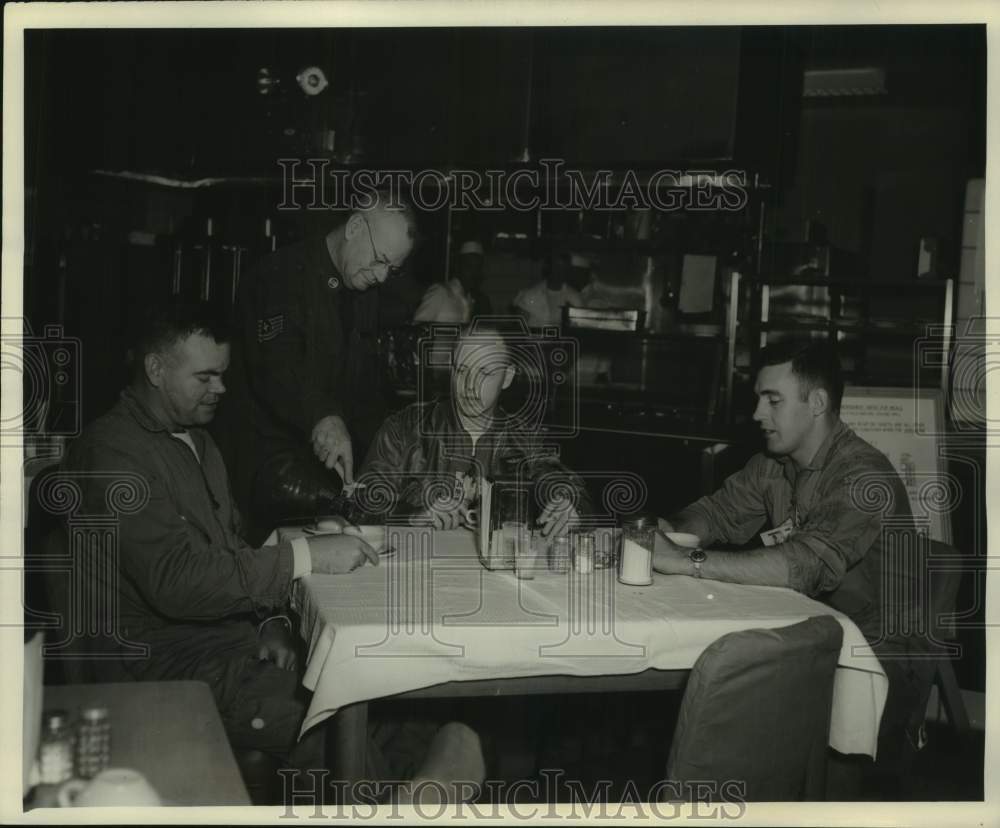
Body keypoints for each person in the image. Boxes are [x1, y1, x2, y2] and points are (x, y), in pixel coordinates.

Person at [56, 300, 482, 800]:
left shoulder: (196, 440)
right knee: (338, 706)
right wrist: (308, 557)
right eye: (206, 376)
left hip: (227, 647)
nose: (222, 388)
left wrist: (271, 622)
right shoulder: (110, 453)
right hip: (163, 669)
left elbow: (230, 545)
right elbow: (178, 581)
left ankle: (414, 793)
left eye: (224, 374)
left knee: (417, 712)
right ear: (155, 369)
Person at [653, 339, 931, 794]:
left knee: (733, 693)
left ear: (817, 403)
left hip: (876, 662)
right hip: (812, 635)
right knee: (725, 690)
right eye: (758, 399)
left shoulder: (863, 476)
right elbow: (716, 514)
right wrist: (667, 531)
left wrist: (686, 560)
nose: (758, 414)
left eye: (773, 401)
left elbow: (805, 565)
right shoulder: (774, 465)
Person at [215, 192, 418, 544]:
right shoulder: (278, 276)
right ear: (355, 226)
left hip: (320, 469)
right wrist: (323, 415)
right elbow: (275, 368)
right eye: (380, 259)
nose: (383, 276)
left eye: (393, 268)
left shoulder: (364, 293)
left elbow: (365, 389)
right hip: (262, 468)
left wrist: (394, 446)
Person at [358, 323, 588, 536]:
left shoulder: (527, 438)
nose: (469, 385)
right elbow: (358, 502)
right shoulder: (405, 427)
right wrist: (411, 516)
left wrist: (568, 506)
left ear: (507, 377)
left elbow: (567, 487)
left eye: (485, 373)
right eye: (461, 370)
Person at [413, 240, 492, 324]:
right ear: (458, 267)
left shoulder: (471, 300)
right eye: (469, 266)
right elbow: (417, 328)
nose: (474, 273)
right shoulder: (440, 292)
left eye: (477, 268)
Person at [511, 251, 584, 328]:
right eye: (556, 268)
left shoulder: (575, 298)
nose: (559, 273)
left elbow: (579, 329)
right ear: (548, 268)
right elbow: (520, 327)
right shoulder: (530, 295)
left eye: (563, 268)